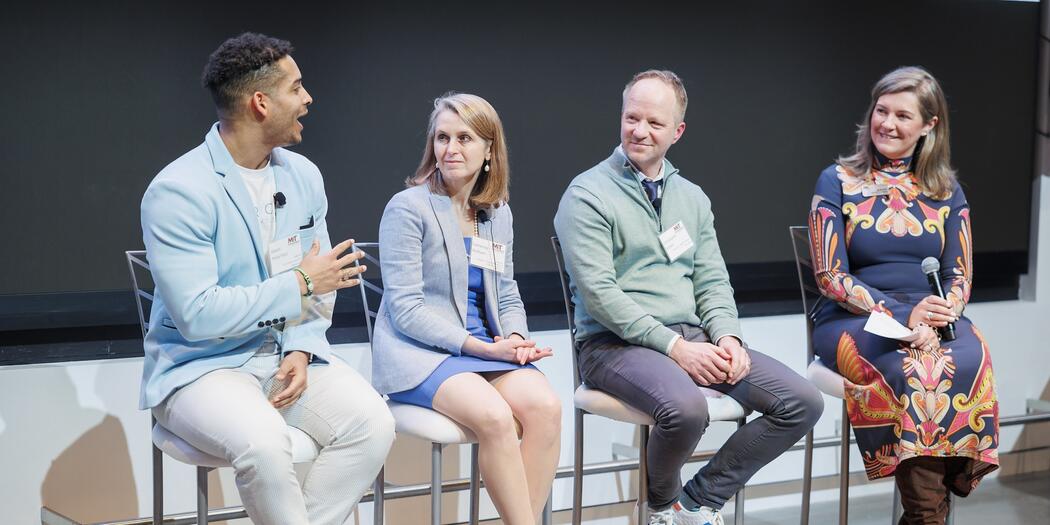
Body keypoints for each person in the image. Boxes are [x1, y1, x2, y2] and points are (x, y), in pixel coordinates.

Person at [139, 33, 394, 525]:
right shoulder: (178, 191)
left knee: (372, 424)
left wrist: (300, 345)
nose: (308, 99)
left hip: (282, 355)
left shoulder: (303, 175)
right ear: (260, 102)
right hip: (200, 368)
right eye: (296, 88)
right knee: (264, 444)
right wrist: (298, 284)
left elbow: (325, 279)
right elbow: (197, 314)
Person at [554, 69, 824, 525]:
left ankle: (693, 504)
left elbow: (712, 281)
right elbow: (599, 294)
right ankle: (662, 506)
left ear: (677, 132)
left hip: (693, 336)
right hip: (612, 344)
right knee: (686, 409)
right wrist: (676, 348)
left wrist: (728, 339)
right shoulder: (587, 194)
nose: (639, 130)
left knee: (802, 401)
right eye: (631, 118)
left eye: (654, 123)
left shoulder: (692, 198)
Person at [808, 66, 999, 524]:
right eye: (881, 110)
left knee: (974, 357)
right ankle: (927, 516)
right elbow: (830, 275)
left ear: (929, 125)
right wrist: (902, 313)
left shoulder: (947, 191)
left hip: (930, 316)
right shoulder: (836, 180)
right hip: (852, 316)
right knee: (915, 368)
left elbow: (960, 275)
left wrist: (937, 315)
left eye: (902, 115)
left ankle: (921, 516)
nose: (887, 124)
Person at [372, 93, 561, 524]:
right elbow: (405, 310)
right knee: (494, 416)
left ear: (489, 149)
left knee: (546, 408)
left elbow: (507, 292)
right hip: (421, 353)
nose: (450, 149)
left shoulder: (496, 213)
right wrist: (481, 349)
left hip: (484, 349)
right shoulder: (408, 208)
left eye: (464, 138)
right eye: (442, 137)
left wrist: (513, 337)